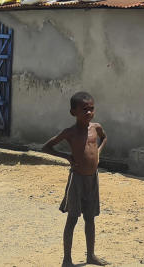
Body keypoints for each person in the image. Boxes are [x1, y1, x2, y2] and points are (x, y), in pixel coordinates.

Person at [42, 91, 109, 266]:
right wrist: (67, 157)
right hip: (77, 179)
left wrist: (98, 153)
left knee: (90, 218)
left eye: (91, 109)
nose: (89, 112)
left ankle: (91, 256)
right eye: (84, 109)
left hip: (92, 179)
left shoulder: (96, 128)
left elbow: (104, 138)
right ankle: (67, 259)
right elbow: (46, 147)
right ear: (73, 112)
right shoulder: (69, 132)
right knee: (72, 218)